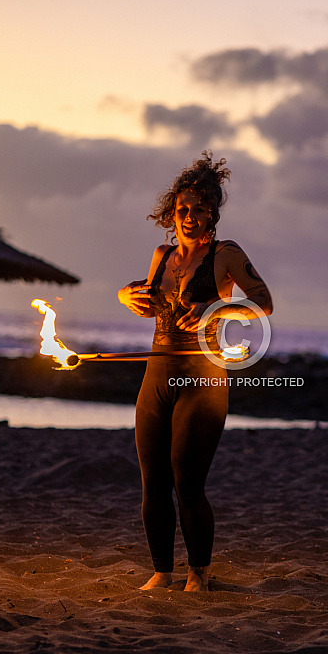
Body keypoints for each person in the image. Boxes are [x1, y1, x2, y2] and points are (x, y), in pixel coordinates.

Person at [118, 152, 273, 591]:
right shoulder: (162, 255)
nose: (190, 217)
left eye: (200, 210)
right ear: (172, 212)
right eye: (183, 209)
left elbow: (264, 302)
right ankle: (161, 572)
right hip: (156, 376)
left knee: (187, 480)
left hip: (203, 380)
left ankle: (198, 573)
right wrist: (124, 297)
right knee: (153, 481)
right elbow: (147, 304)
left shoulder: (225, 254)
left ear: (212, 215)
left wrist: (217, 308)